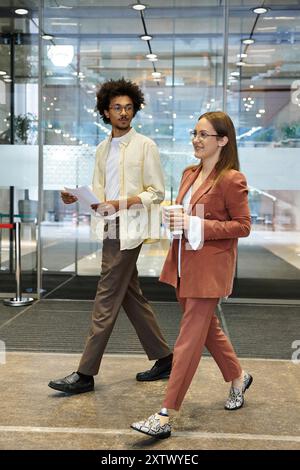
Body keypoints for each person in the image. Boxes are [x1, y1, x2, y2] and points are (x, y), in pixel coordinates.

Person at [131, 111, 252, 439]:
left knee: (186, 341)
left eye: (204, 135)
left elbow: (243, 226)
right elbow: (185, 214)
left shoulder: (232, 179)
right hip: (184, 264)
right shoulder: (188, 173)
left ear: (223, 141)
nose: (196, 140)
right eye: (194, 133)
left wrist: (195, 225)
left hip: (210, 270)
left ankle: (165, 413)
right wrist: (175, 218)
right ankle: (238, 376)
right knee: (207, 330)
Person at [48, 78, 173, 394]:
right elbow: (101, 193)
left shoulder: (145, 145)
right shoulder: (103, 149)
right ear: (106, 111)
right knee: (130, 295)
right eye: (117, 108)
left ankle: (85, 373)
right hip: (110, 226)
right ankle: (165, 357)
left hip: (129, 229)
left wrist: (122, 202)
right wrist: (76, 197)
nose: (124, 113)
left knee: (106, 296)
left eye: (129, 108)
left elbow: (156, 192)